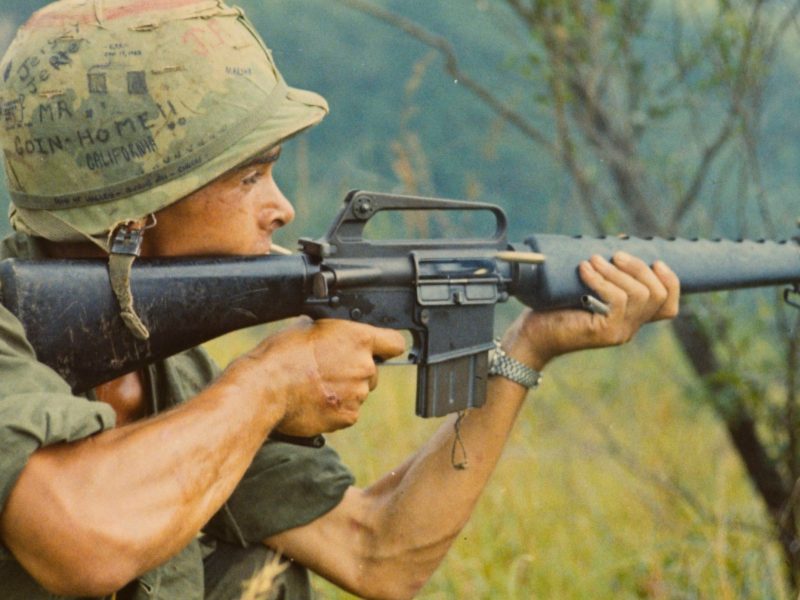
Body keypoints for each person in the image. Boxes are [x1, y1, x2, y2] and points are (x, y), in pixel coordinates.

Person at [0, 1, 680, 598]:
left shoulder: (171, 370)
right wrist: (269, 383)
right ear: (133, 216)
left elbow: (377, 551)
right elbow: (77, 541)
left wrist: (528, 346)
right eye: (249, 177)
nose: (282, 206)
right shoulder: (16, 333)